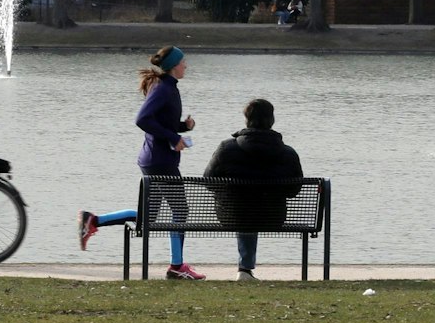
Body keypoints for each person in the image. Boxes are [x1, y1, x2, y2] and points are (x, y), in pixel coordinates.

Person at [78, 45, 204, 280]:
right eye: (184, 61)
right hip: (160, 161)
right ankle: (177, 266)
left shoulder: (169, 88)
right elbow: (143, 119)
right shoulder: (163, 88)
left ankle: (93, 220)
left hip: (155, 159)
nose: (186, 65)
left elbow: (160, 121)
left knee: (148, 217)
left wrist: (181, 127)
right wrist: (173, 137)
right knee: (181, 210)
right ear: (175, 65)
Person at [200, 98, 304, 282]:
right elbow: (294, 190)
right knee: (252, 209)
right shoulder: (287, 153)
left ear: (247, 120)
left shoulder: (227, 148)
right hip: (273, 217)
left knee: (243, 209)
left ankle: (244, 269)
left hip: (232, 216)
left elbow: (208, 181)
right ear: (271, 121)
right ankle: (246, 269)